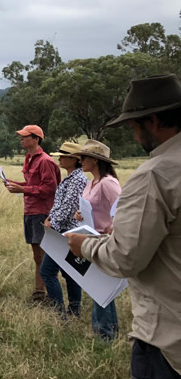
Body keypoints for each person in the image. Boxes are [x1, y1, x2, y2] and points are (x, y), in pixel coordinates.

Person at [67, 74, 181, 379]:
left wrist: (83, 246)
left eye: (133, 127)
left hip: (167, 341)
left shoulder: (155, 174)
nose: (133, 136)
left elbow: (125, 258)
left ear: (153, 121)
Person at [4, 124, 60, 303]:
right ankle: (40, 292)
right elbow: (32, 183)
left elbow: (49, 188)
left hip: (41, 212)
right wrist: (15, 183)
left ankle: (47, 294)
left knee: (43, 255)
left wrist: (22, 189)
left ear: (36, 139)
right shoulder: (29, 158)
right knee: (37, 254)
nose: (21, 139)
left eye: (25, 136)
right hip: (30, 210)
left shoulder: (45, 161)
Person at [74, 139, 121, 341]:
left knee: (98, 287)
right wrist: (79, 214)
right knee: (99, 287)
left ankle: (104, 333)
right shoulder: (92, 182)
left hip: (103, 240)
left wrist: (114, 227)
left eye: (83, 157)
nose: (80, 161)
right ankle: (109, 330)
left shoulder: (108, 183)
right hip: (91, 237)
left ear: (95, 160)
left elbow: (121, 208)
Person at [39, 142, 85, 318]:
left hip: (65, 234)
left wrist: (52, 224)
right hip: (63, 232)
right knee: (70, 273)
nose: (60, 158)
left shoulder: (78, 179)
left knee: (47, 272)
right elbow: (60, 205)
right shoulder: (72, 177)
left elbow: (68, 207)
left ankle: (61, 314)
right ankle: (74, 311)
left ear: (74, 159)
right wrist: (50, 217)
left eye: (64, 156)